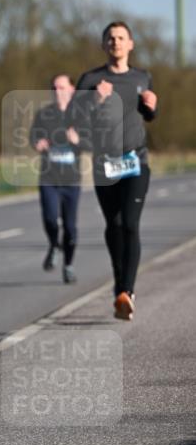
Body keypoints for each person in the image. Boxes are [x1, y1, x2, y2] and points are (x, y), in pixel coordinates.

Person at [73, 21, 157, 320]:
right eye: (110, 38)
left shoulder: (142, 77)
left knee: (130, 224)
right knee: (114, 224)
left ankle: (127, 291)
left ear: (130, 44)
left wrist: (151, 105)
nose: (116, 42)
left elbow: (148, 115)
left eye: (121, 38)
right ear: (104, 44)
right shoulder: (91, 79)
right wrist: (95, 100)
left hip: (136, 162)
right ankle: (120, 285)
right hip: (104, 163)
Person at [30, 74, 81, 283]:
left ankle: (68, 265)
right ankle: (53, 244)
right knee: (51, 219)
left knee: (70, 228)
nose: (57, 91)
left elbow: (92, 142)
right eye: (54, 88)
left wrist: (78, 140)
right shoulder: (45, 114)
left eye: (61, 87)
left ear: (72, 90)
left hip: (71, 180)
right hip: (49, 177)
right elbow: (33, 136)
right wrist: (38, 143)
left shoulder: (80, 115)